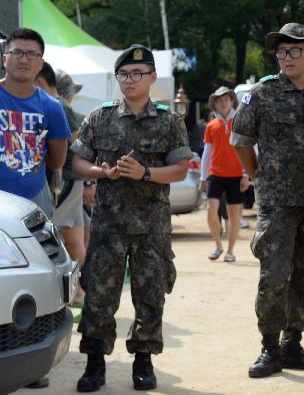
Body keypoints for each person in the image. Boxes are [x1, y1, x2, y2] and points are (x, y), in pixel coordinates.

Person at [72, 44, 191, 392]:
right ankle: (95, 362)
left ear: (152, 77)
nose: (130, 79)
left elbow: (181, 170)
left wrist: (144, 173)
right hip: (108, 227)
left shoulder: (170, 121)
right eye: (124, 74)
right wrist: (100, 171)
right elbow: (78, 163)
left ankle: (144, 359)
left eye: (137, 73)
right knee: (99, 295)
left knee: (150, 294)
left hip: (151, 227)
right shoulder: (100, 117)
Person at [230, 22, 304, 378]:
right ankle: (269, 347)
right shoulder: (261, 93)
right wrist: (258, 175)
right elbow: (240, 139)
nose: (287, 57)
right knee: (273, 275)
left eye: (295, 51)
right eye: (282, 51)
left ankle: (293, 343)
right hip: (277, 202)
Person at [0, 28, 71, 219]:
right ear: (4, 59)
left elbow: (57, 162)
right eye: (16, 52)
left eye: (32, 54)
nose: (23, 59)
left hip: (34, 200)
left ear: (41, 63)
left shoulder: (52, 107)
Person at [35, 66, 88, 300]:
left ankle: (72, 290)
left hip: (63, 179)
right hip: (72, 179)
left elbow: (73, 147)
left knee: (52, 235)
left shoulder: (56, 106)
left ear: (39, 79)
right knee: (76, 239)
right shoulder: (62, 106)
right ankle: (79, 290)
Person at [200, 86, 249, 263]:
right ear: (215, 103)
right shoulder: (211, 125)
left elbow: (248, 148)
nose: (223, 102)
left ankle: (230, 250)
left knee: (234, 214)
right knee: (211, 209)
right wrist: (202, 178)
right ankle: (218, 245)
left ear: (231, 101)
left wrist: (246, 174)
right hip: (215, 174)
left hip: (236, 174)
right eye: (219, 100)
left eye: (226, 99)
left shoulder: (240, 121)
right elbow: (207, 153)